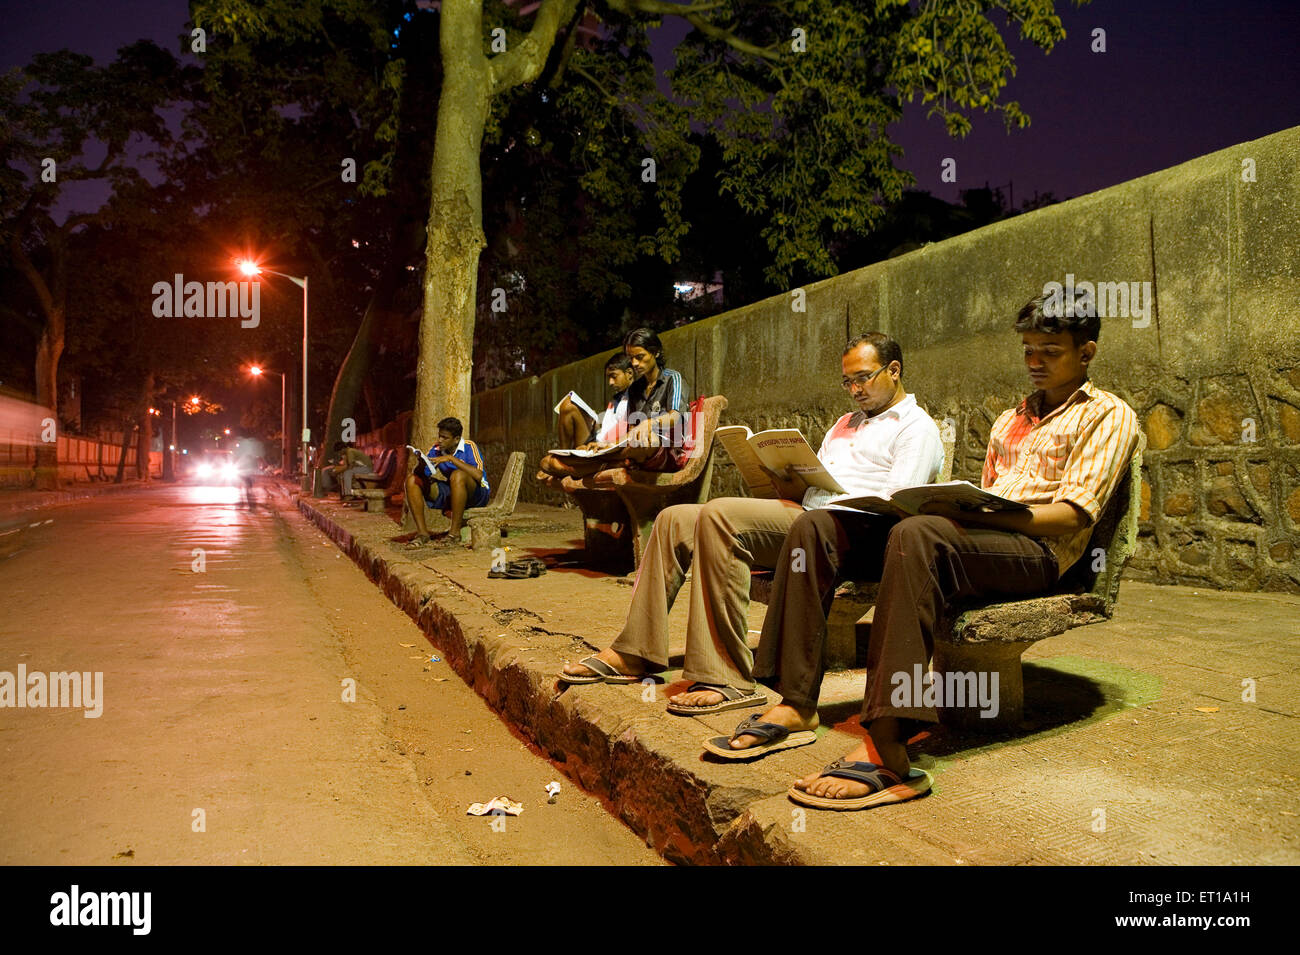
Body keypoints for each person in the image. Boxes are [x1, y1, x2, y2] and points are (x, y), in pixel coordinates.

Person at [727, 292, 1139, 812]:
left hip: (1038, 553)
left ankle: (888, 743)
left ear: (1087, 352)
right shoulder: (1012, 419)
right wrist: (965, 508)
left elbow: (1073, 515)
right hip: (981, 538)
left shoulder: (1107, 415)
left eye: (1050, 351)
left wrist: (973, 516)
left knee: (919, 535)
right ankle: (795, 702)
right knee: (816, 526)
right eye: (1028, 350)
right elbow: (989, 491)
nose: (1035, 362)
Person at [558, 333, 946, 718]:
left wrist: (820, 501)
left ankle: (726, 676)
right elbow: (819, 480)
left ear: (894, 371)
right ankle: (635, 651)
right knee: (674, 519)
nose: (854, 389)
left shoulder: (915, 427)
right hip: (803, 516)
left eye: (863, 377)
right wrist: (786, 477)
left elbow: (898, 507)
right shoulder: (844, 423)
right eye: (847, 381)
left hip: (848, 533)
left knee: (721, 515)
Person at [538, 328, 687, 479]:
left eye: (640, 357)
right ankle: (606, 464)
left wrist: (648, 424)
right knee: (545, 463)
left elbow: (675, 416)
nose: (635, 363)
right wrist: (609, 445)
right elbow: (632, 431)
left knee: (647, 440)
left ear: (655, 353)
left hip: (664, 449)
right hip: (633, 450)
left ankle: (585, 465)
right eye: (631, 358)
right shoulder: (635, 388)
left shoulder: (672, 379)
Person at [404, 417, 490, 547]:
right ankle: (422, 534)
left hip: (477, 493)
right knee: (412, 480)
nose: (440, 440)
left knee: (457, 475)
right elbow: (425, 474)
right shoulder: (437, 449)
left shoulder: (469, 447)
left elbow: (479, 475)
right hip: (454, 490)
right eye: (440, 436)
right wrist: (421, 464)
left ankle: (454, 534)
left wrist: (450, 459)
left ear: (456, 439)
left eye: (445, 438)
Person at [554, 353, 636, 451]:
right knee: (568, 404)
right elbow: (610, 426)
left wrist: (604, 445)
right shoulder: (617, 398)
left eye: (614, 376)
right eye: (609, 377)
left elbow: (625, 433)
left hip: (608, 447)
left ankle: (567, 461)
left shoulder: (636, 398)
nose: (610, 382)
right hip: (598, 440)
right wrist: (596, 423)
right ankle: (564, 453)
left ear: (629, 373)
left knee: (549, 462)